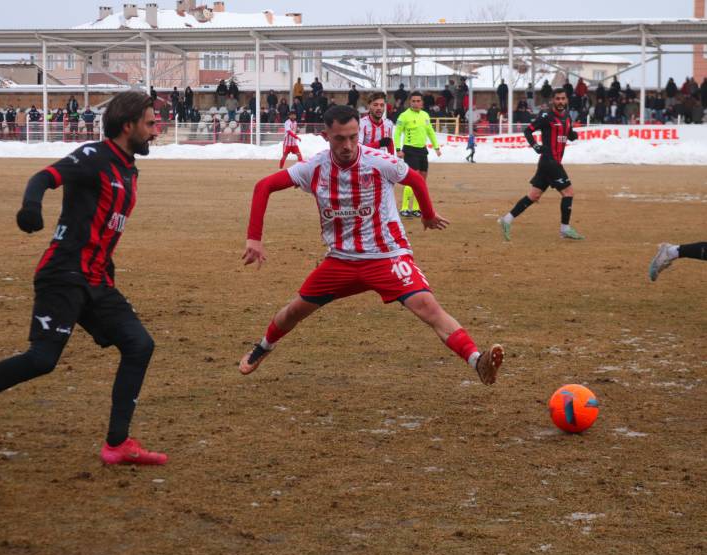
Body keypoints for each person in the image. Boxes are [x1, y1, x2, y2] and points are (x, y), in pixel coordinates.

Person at [0, 91, 167, 467]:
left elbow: (101, 227)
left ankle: (117, 444)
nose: (155, 131)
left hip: (97, 280)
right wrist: (31, 207)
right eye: (150, 123)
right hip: (63, 275)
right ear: (127, 125)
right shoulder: (93, 156)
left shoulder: (128, 168)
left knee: (139, 345)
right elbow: (43, 177)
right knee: (42, 359)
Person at [238, 105, 504, 388]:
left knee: (428, 307)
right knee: (294, 311)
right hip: (340, 260)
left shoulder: (379, 161)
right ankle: (263, 347)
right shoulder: (313, 168)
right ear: (326, 136)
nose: (348, 145)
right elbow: (262, 186)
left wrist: (427, 215)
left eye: (353, 137)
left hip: (387, 256)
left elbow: (414, 179)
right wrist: (254, 238)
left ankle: (478, 361)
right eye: (340, 138)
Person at [498, 88, 583, 242]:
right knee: (568, 193)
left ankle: (506, 219)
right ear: (552, 100)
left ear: (567, 100)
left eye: (563, 98)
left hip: (550, 163)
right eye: (557, 99)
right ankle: (565, 229)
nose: (560, 102)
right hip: (549, 161)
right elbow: (528, 131)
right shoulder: (546, 116)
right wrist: (536, 146)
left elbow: (568, 133)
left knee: (534, 195)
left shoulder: (567, 116)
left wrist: (573, 134)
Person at [394, 91, 440, 218]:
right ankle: (404, 207)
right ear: (410, 102)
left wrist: (436, 147)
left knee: (422, 180)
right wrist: (398, 149)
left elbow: (430, 131)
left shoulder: (425, 115)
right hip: (409, 150)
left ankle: (416, 208)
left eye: (418, 101)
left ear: (422, 102)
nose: (415, 103)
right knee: (413, 179)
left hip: (422, 150)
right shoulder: (404, 116)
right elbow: (397, 133)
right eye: (413, 101)